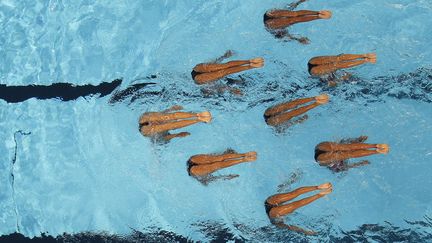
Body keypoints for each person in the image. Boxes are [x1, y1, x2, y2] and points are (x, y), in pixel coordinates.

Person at [265, 182, 333, 235]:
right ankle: (320, 194)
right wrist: (305, 231)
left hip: (269, 203)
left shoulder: (279, 222)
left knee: (292, 194)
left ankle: (318, 187)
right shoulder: (279, 222)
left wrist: (317, 187)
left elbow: (293, 228)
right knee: (295, 204)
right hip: (274, 213)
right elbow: (293, 228)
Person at [264, 0, 332, 44]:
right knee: (294, 17)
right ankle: (319, 15)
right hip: (270, 23)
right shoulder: (277, 31)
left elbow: (292, 6)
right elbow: (284, 36)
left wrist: (300, 1)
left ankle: (319, 14)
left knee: (294, 16)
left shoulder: (279, 31)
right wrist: (298, 39)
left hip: (270, 18)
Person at [315, 136, 389, 172]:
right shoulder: (337, 167)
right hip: (320, 148)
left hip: (321, 157)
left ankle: (376, 150)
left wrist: (361, 163)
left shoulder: (336, 166)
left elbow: (349, 164)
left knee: (348, 152)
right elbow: (349, 165)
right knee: (345, 146)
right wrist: (360, 163)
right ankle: (375, 146)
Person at [139, 105, 211, 142]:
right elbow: (172, 126)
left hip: (145, 121)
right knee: (168, 121)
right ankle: (199, 117)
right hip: (146, 130)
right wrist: (177, 135)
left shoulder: (148, 117)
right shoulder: (155, 133)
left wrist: (197, 115)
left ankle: (199, 117)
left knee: (168, 119)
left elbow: (172, 118)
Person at [188, 149, 257, 184]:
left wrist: (244, 155)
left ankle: (242, 155)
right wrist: (226, 177)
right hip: (198, 175)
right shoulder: (203, 177)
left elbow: (220, 158)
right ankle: (243, 158)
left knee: (217, 159)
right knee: (216, 164)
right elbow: (217, 177)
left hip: (191, 163)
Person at [192, 54, 264, 85]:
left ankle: (250, 61)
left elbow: (215, 62)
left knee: (223, 67)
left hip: (195, 69)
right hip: (197, 80)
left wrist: (224, 56)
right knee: (223, 72)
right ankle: (251, 65)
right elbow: (218, 88)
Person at [308, 53, 376, 85]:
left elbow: (339, 61)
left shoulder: (313, 62)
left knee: (338, 65)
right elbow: (340, 62)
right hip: (328, 82)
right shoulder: (314, 64)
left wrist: (364, 58)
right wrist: (364, 58)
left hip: (321, 76)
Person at [264, 94, 329, 127]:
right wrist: (298, 121)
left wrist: (314, 98)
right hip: (273, 124)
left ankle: (315, 100)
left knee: (289, 105)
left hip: (268, 117)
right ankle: (316, 102)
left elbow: (293, 104)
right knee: (290, 112)